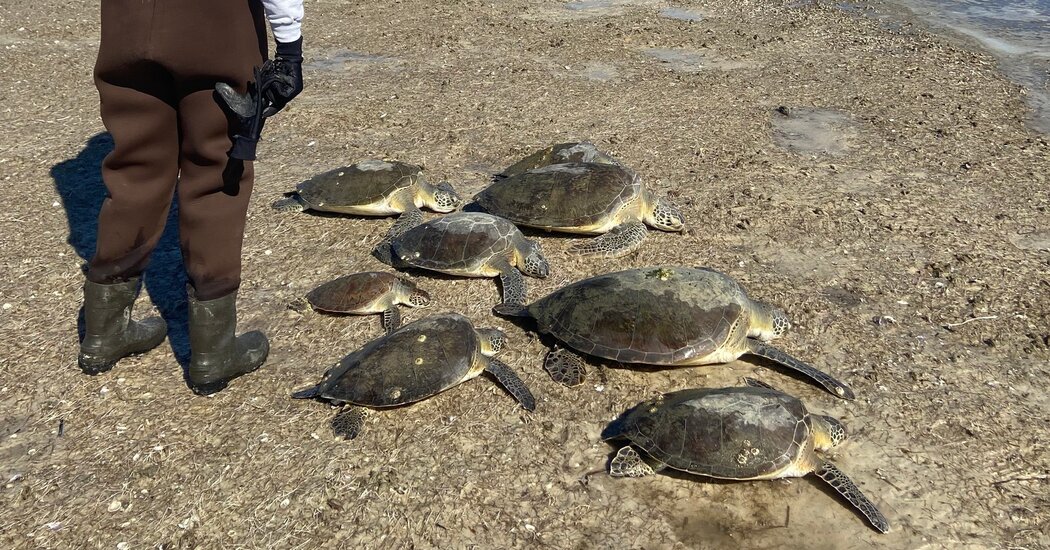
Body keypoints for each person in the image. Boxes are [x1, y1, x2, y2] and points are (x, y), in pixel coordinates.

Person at [77, 0, 305, 395]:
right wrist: (290, 49)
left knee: (136, 168)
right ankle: (213, 352)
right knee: (218, 170)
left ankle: (104, 333)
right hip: (215, 25)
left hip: (126, 23)